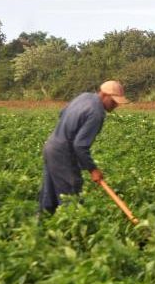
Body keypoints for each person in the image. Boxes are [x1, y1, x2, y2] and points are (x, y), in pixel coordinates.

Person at [38, 80, 129, 214]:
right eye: (114, 101)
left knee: (49, 195)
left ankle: (39, 227)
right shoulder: (97, 113)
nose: (116, 105)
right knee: (72, 197)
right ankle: (70, 231)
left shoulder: (84, 96)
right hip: (64, 154)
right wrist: (93, 170)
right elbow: (80, 146)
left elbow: (62, 113)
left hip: (51, 146)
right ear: (104, 95)